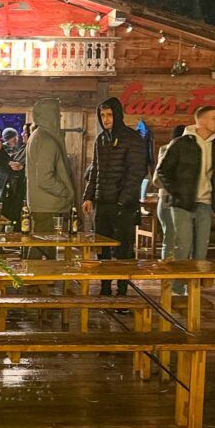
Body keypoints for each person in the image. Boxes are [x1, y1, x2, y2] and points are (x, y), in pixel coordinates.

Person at [156, 105, 215, 294]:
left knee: (201, 249)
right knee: (182, 245)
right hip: (182, 202)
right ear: (201, 120)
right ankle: (177, 287)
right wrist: (176, 191)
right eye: (214, 117)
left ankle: (193, 288)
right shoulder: (181, 143)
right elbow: (162, 171)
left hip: (206, 202)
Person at [82, 97, 147, 296]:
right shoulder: (101, 139)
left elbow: (135, 173)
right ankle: (104, 288)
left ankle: (122, 291)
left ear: (117, 115)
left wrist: (122, 201)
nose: (106, 119)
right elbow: (96, 170)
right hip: (103, 202)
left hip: (123, 206)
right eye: (102, 115)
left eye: (109, 115)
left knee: (123, 251)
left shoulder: (132, 138)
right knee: (103, 249)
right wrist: (89, 196)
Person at [26, 98, 74, 250]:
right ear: (49, 115)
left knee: (41, 252)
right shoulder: (45, 140)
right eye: (57, 113)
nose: (60, 117)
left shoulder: (39, 136)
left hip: (45, 205)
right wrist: (65, 192)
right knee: (43, 256)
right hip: (48, 207)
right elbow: (45, 178)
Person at [153, 125, 185, 260]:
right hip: (169, 199)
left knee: (170, 238)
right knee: (172, 238)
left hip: (166, 198)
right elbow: (157, 180)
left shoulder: (164, 150)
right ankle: (170, 277)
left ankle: (171, 277)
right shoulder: (169, 151)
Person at [0, 126, 26, 228]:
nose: (21, 135)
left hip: (22, 187)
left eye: (25, 132)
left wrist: (22, 167)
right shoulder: (22, 148)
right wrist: (0, 150)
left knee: (18, 218)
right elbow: (9, 162)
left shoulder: (28, 148)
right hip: (10, 185)